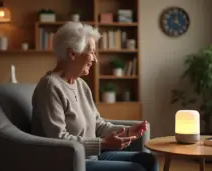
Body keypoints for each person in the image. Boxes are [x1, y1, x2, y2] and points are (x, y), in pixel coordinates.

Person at [31, 21, 158, 171]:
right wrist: (102, 144)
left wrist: (128, 131)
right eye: (91, 52)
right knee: (135, 169)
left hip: (91, 157)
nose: (95, 59)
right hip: (68, 162)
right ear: (72, 53)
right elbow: (58, 139)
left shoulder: (81, 85)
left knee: (148, 160)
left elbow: (98, 124)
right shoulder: (50, 86)